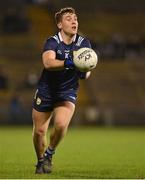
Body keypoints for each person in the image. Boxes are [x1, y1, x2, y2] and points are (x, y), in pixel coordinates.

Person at [32, 7, 92, 174]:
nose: (74, 21)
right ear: (59, 24)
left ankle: (49, 154)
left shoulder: (83, 43)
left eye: (75, 18)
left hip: (67, 91)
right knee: (39, 131)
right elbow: (48, 63)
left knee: (60, 125)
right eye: (68, 18)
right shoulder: (52, 41)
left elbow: (87, 71)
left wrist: (84, 71)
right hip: (46, 90)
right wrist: (69, 63)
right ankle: (40, 161)